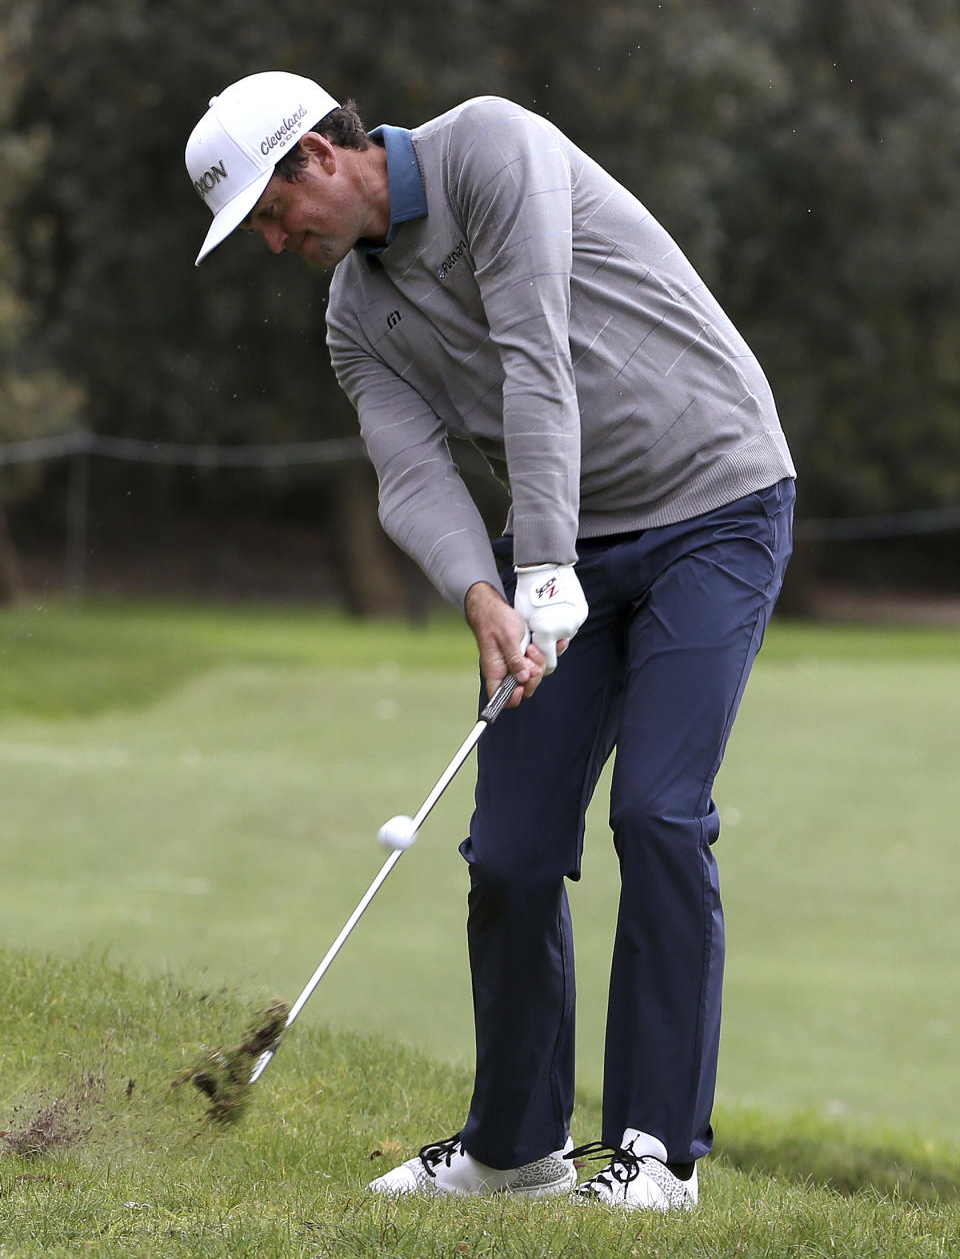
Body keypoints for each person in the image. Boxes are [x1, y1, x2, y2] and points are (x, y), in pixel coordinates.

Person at [185, 71, 795, 1211]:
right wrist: (486, 592)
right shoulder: (354, 317)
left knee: (658, 809)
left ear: (319, 154)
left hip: (715, 499)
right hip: (562, 549)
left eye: (274, 213)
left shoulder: (490, 148)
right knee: (511, 848)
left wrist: (546, 562)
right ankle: (514, 1148)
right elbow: (412, 474)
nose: (276, 242)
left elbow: (536, 358)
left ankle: (657, 1154)